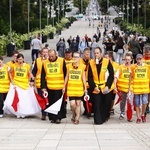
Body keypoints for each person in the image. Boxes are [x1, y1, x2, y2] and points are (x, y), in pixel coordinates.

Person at [3, 54, 41, 118]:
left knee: (24, 99)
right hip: (16, 84)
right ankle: (17, 112)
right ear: (17, 60)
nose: (20, 61)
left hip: (25, 84)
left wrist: (32, 80)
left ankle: (24, 112)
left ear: (23, 59)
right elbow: (9, 72)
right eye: (19, 59)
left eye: (21, 59)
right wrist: (11, 80)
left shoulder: (27, 66)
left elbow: (30, 74)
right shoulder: (14, 66)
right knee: (17, 99)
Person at [88, 47, 114, 124]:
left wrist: (108, 86)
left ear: (101, 53)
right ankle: (98, 120)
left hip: (105, 86)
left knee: (106, 103)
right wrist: (94, 87)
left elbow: (111, 75)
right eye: (95, 53)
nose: (96, 55)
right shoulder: (91, 63)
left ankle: (104, 117)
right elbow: (89, 77)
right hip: (96, 87)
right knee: (97, 104)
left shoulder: (106, 61)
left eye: (97, 53)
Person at [41, 49, 66, 124]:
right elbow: (43, 76)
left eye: (52, 56)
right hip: (49, 86)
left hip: (59, 86)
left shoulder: (61, 61)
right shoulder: (45, 63)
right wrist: (43, 87)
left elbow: (66, 74)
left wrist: (65, 86)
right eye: (50, 56)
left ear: (56, 55)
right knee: (51, 103)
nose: (51, 58)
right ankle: (52, 117)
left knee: (58, 103)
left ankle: (58, 117)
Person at [63, 52, 87, 124]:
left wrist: (85, 88)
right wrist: (64, 86)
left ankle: (77, 118)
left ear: (79, 58)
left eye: (77, 57)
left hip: (79, 88)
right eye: (74, 57)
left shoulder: (83, 66)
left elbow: (83, 78)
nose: (75, 58)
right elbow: (67, 76)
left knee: (78, 104)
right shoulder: (68, 66)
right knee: (72, 104)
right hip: (71, 88)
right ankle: (74, 114)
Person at [32, 47, 49, 120]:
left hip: (49, 83)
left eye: (46, 52)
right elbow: (34, 71)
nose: (45, 53)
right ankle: (43, 113)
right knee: (42, 98)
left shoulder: (50, 61)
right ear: (41, 53)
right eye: (44, 52)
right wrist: (32, 81)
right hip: (40, 83)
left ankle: (49, 111)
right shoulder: (37, 61)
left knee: (48, 98)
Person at [131, 54, 149, 123]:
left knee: (145, 102)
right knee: (137, 103)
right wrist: (131, 86)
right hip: (136, 88)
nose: (139, 60)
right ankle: (138, 117)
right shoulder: (133, 67)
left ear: (142, 59)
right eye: (138, 59)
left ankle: (143, 114)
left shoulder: (147, 67)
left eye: (140, 59)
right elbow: (131, 77)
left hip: (145, 88)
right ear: (136, 59)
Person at [114, 53, 133, 121]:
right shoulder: (121, 67)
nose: (127, 61)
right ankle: (122, 113)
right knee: (122, 101)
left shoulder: (133, 67)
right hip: (122, 88)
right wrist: (115, 86)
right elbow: (116, 76)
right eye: (126, 59)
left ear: (131, 60)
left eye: (128, 59)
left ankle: (130, 115)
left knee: (130, 102)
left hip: (130, 89)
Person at [80, 48, 92, 117]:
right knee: (84, 98)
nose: (87, 55)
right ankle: (86, 109)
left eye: (89, 54)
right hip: (83, 82)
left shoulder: (91, 61)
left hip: (89, 82)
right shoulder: (80, 61)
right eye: (86, 54)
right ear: (83, 54)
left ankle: (89, 110)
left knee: (89, 97)